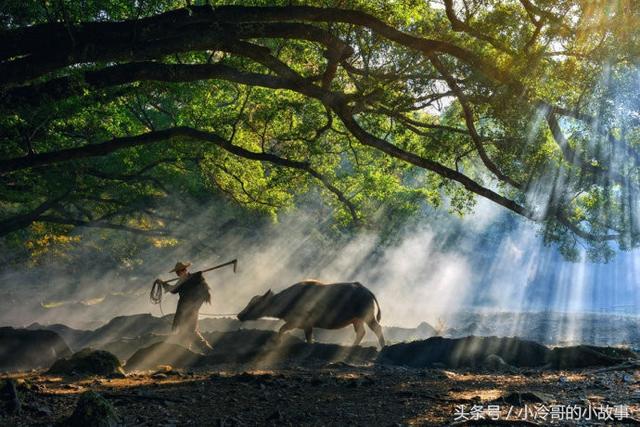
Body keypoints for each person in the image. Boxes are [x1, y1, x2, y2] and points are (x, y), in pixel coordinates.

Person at [154, 261, 213, 352]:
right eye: (178, 273)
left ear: (184, 270)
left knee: (190, 331)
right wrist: (163, 283)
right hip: (186, 309)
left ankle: (207, 350)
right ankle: (185, 351)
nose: (178, 274)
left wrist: (162, 283)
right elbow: (174, 290)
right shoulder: (186, 280)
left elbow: (174, 289)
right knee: (183, 330)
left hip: (190, 309)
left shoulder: (194, 278)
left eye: (179, 272)